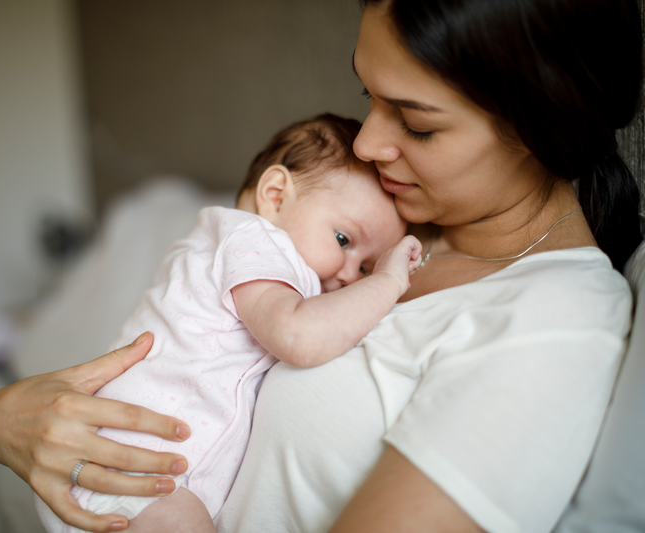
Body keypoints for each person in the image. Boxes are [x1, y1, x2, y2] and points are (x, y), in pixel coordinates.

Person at [0, 0, 643, 531]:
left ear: (538, 123)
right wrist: (4, 416)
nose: (368, 143)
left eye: (416, 124)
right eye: (368, 94)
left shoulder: (554, 320)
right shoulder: (381, 211)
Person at [35, 113, 421, 533]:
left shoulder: (239, 251)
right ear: (275, 196)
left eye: (366, 267)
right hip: (128, 474)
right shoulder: (253, 243)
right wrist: (387, 280)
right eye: (343, 240)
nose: (351, 276)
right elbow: (299, 336)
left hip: (139, 478)